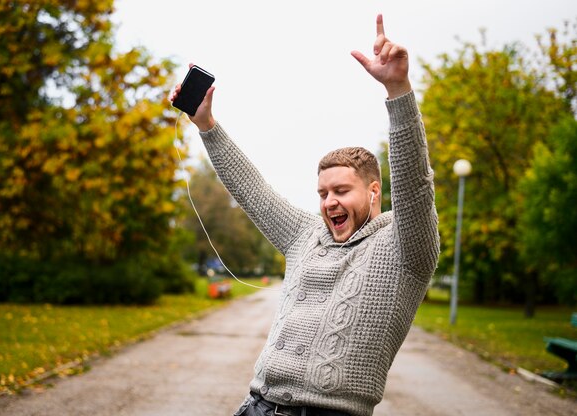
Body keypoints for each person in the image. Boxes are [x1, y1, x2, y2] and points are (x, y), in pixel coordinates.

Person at [171, 14, 439, 416]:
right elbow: (252, 191)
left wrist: (397, 90)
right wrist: (206, 124)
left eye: (341, 191)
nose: (329, 201)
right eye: (323, 193)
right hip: (256, 405)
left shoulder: (406, 249)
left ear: (373, 191)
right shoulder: (306, 234)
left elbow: (415, 184)